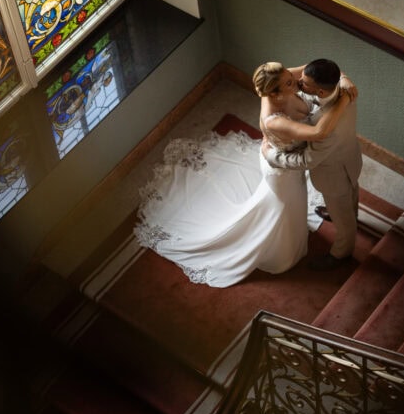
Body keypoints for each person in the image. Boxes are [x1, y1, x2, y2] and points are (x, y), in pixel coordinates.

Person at [132, 62, 354, 287]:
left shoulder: (280, 82)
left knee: (298, 203)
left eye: (292, 76)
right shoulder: (275, 118)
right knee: (284, 206)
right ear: (274, 93)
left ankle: (319, 230)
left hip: (295, 159)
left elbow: (308, 70)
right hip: (280, 168)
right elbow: (317, 133)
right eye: (290, 81)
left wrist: (344, 82)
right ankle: (281, 248)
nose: (296, 81)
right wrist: (344, 97)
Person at [264, 59, 363, 271]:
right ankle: (351, 213)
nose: (299, 82)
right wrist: (345, 78)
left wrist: (272, 156)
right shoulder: (346, 92)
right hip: (350, 157)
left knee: (344, 223)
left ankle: (341, 254)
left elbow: (305, 160)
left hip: (333, 176)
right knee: (352, 190)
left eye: (305, 83)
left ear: (319, 91)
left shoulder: (326, 128)